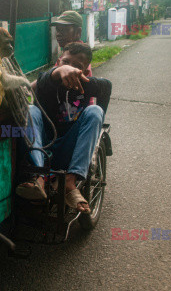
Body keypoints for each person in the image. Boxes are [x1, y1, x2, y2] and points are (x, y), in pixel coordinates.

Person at [16, 42, 112, 214]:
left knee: (95, 111)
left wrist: (94, 124)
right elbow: (44, 78)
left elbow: (106, 86)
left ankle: (69, 181)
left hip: (70, 147)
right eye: (66, 62)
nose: (70, 69)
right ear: (59, 61)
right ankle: (39, 177)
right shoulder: (47, 80)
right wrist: (58, 72)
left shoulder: (88, 84)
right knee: (31, 110)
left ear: (85, 71)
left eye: (77, 66)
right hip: (43, 146)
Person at [31, 10, 92, 91]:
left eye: (64, 30)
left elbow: (44, 81)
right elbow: (49, 76)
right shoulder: (68, 52)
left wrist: (26, 89)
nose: (59, 34)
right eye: (58, 30)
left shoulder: (76, 56)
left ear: (78, 32)